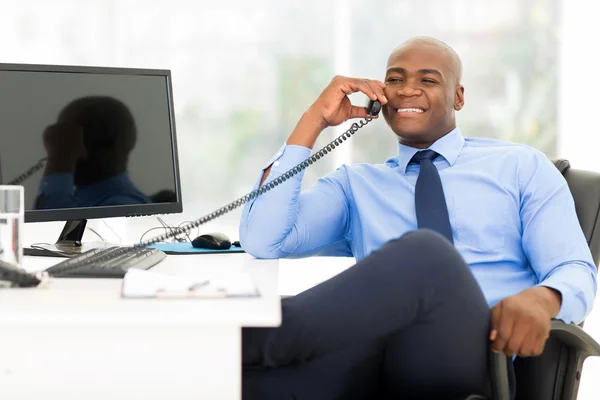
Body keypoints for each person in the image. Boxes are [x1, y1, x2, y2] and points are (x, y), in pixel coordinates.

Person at [238, 37, 598, 400]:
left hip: (475, 361)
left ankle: (242, 339)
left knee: (427, 253)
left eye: (427, 80)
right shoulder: (356, 185)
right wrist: (314, 118)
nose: (408, 90)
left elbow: (575, 268)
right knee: (240, 385)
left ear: (458, 97)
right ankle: (232, 347)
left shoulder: (519, 166)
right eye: (394, 80)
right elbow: (264, 239)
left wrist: (542, 299)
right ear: (379, 95)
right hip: (371, 364)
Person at [34, 96, 151, 209]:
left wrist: (60, 159)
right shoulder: (76, 199)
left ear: (119, 144)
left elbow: (55, 226)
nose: (72, 150)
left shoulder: (125, 206)